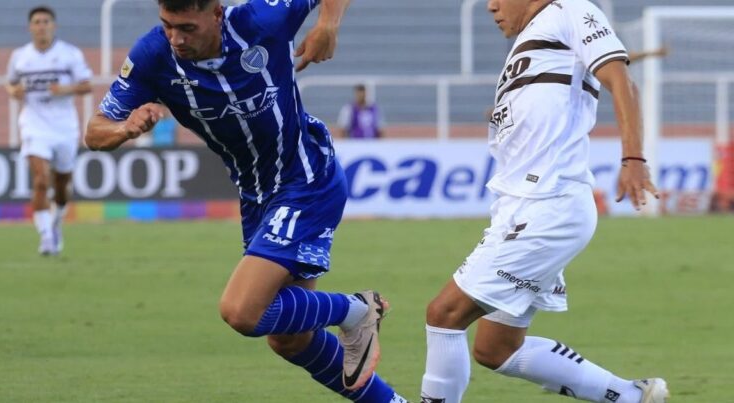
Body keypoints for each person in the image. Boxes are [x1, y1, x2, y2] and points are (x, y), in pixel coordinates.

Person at [85, 1, 406, 402]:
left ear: (216, 14)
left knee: (241, 311)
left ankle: (358, 310)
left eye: (187, 27)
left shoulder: (262, 19)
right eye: (167, 26)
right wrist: (124, 130)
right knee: (289, 340)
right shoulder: (153, 55)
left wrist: (328, 24)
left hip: (305, 179)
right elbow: (94, 132)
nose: (176, 39)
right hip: (257, 197)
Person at [420, 1, 668, 402]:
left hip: (549, 204)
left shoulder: (568, 9)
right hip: (521, 207)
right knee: (495, 348)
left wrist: (634, 157)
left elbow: (621, 80)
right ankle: (630, 396)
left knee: (444, 314)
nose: (490, 6)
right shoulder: (527, 44)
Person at [6, 5, 93, 256]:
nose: (41, 26)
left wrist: (65, 90)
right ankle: (45, 236)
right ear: (30, 27)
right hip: (34, 124)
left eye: (46, 21)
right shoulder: (20, 56)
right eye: (37, 22)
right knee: (41, 180)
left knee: (62, 184)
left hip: (64, 126)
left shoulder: (69, 54)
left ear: (53, 26)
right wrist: (14, 92)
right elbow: (11, 84)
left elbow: (86, 85)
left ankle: (56, 221)